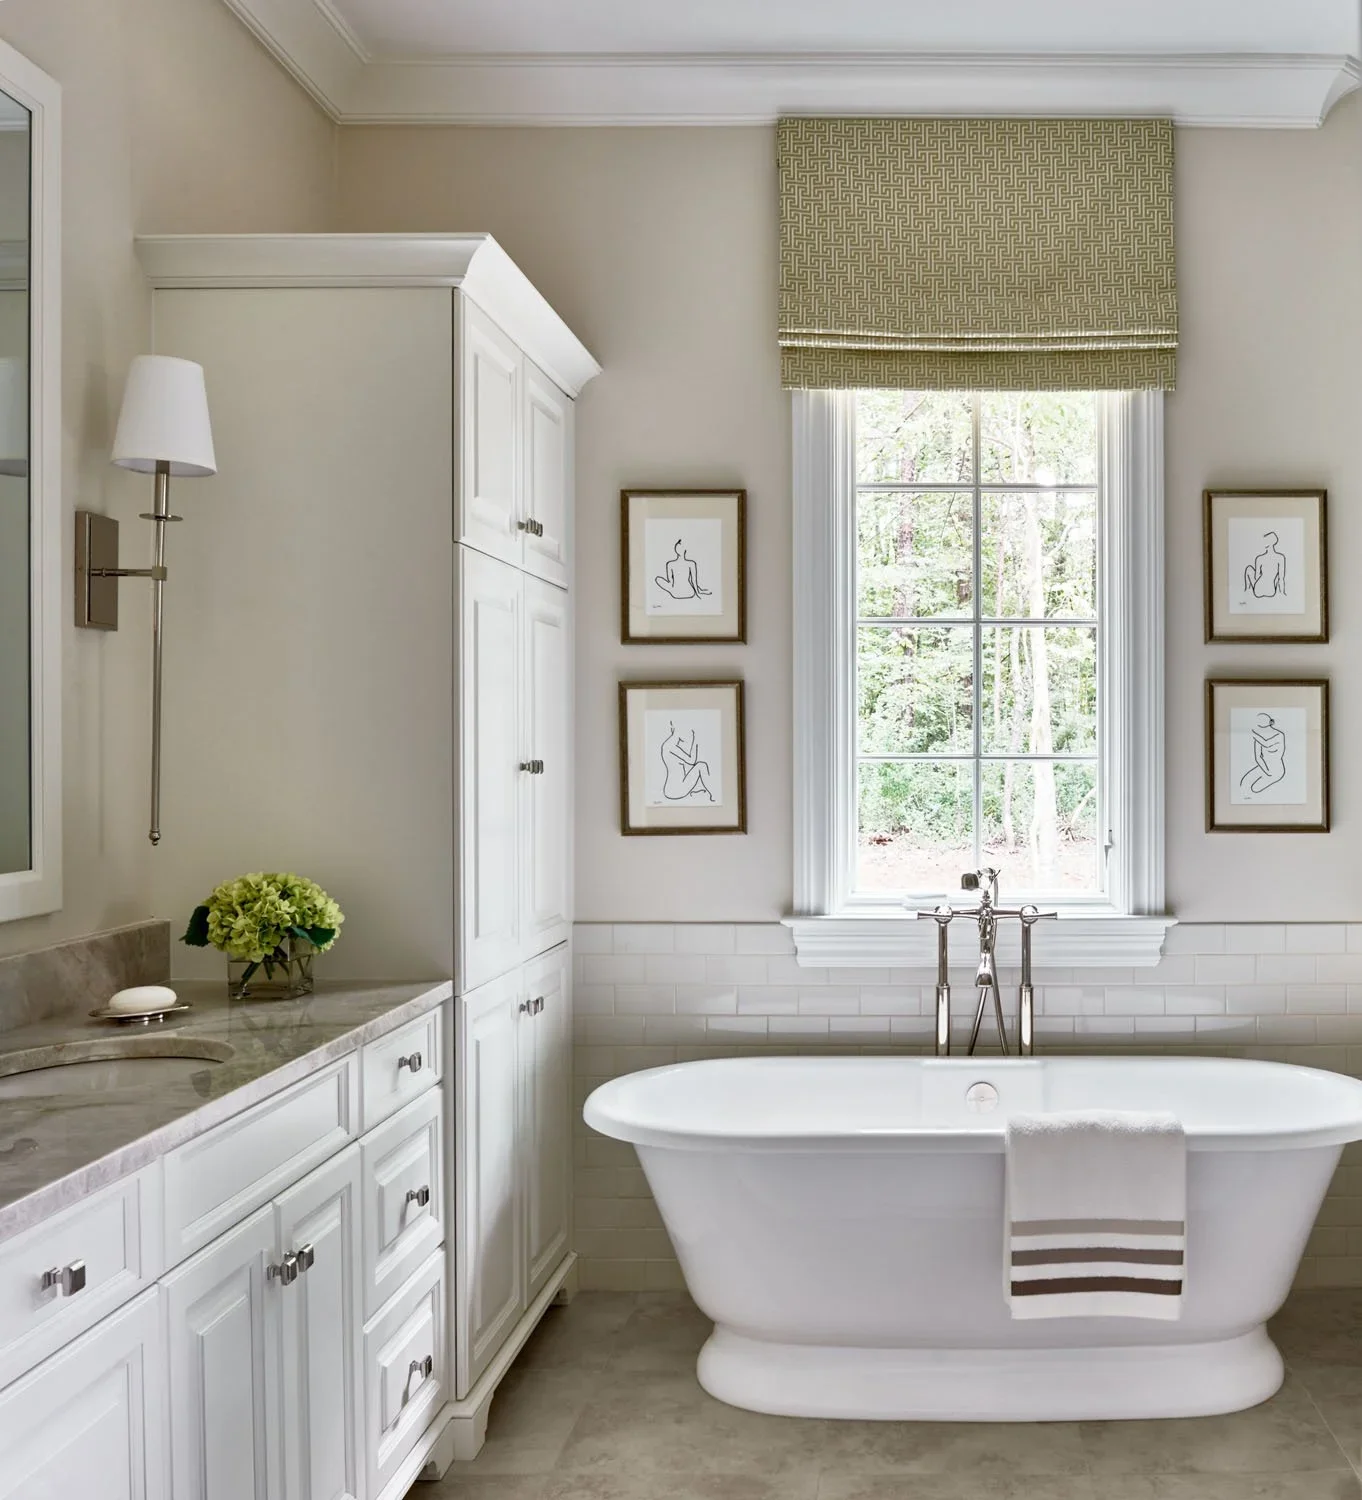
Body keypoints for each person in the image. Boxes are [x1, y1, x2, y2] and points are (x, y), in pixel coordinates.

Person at [659, 722, 714, 802]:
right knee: (701, 765)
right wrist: (696, 739)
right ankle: (713, 794)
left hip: (671, 790)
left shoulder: (669, 745)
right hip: (675, 790)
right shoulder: (671, 746)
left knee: (698, 766)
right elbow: (692, 761)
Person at [1240, 712, 1286, 795]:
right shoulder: (1258, 737)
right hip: (1264, 767)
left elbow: (1267, 744)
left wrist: (1253, 735)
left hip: (1277, 771)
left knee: (1254, 789)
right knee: (1244, 782)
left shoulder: (1279, 735)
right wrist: (1266, 771)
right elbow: (1258, 757)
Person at [1243, 531, 1286, 600]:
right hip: (1271, 592)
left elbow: (1256, 577)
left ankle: (1247, 590)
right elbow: (1281, 579)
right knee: (1278, 576)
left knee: (1248, 569)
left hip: (1258, 591)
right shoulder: (1281, 557)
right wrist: (1283, 593)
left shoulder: (1259, 558)